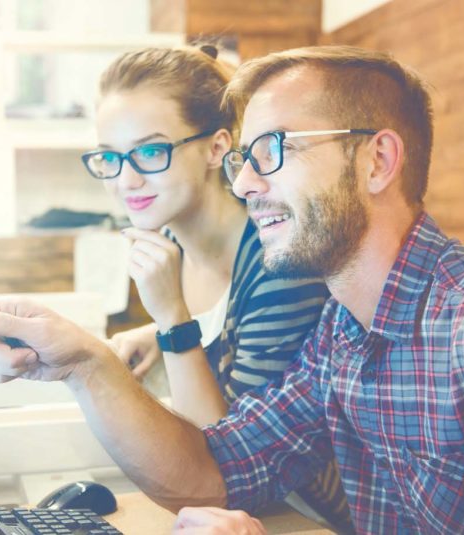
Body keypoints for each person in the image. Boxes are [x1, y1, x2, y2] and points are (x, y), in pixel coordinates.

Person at [0, 45, 464, 534]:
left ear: (377, 161)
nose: (244, 183)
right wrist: (85, 363)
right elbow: (216, 472)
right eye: (244, 159)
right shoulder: (342, 335)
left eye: (275, 151)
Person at [79, 46, 347, 528]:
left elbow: (228, 463)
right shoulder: (170, 246)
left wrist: (173, 324)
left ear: (217, 146)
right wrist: (157, 334)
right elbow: (222, 322)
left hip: (309, 518)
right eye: (109, 157)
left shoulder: (278, 265)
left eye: (151, 151)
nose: (126, 178)